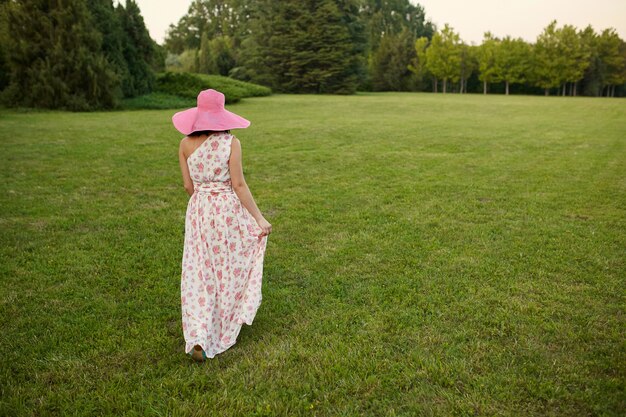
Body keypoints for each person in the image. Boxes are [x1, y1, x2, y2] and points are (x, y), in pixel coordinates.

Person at [174, 89, 272, 362]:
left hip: (199, 211)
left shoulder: (184, 145)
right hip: (226, 211)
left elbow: (187, 186)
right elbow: (238, 185)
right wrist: (258, 218)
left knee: (199, 272)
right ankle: (223, 324)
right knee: (226, 268)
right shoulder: (231, 143)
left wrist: (202, 201)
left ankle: (198, 335)